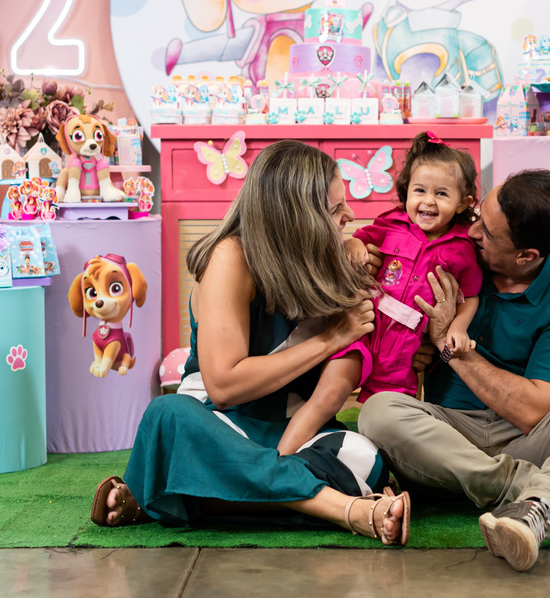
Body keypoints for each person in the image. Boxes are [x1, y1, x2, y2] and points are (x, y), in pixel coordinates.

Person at [90, 141, 411, 546]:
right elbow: (224, 387)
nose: (348, 216)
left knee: (366, 459)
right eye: (334, 210)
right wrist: (331, 338)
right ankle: (346, 510)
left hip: (289, 430)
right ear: (296, 218)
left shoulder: (322, 257)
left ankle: (180, 496)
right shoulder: (231, 258)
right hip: (218, 424)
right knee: (167, 416)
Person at [358, 169, 550, 572]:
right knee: (378, 412)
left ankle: (539, 502)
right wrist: (363, 257)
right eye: (478, 216)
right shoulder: (448, 256)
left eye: (489, 233)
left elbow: (533, 410)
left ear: (526, 255)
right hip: (445, 442)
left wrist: (448, 346)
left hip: (528, 438)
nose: (472, 231)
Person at [277, 131, 482, 456]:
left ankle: (379, 469)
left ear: (463, 203)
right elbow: (357, 239)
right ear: (406, 191)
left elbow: (470, 296)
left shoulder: (463, 249)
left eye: (442, 194)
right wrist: (353, 246)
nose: (428, 201)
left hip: (405, 350)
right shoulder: (390, 224)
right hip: (362, 331)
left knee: (389, 419)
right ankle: (279, 460)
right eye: (419, 190)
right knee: (327, 397)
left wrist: (457, 328)